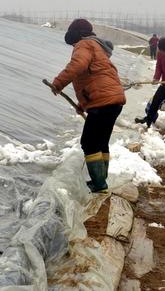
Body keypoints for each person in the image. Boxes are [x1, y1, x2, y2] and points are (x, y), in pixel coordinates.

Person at [50, 19, 126, 193]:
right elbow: (96, 80)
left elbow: (78, 65)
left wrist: (58, 83)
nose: (74, 46)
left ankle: (99, 184)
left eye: (73, 42)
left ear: (78, 35)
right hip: (113, 100)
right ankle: (101, 181)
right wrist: (83, 104)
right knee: (101, 142)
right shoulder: (97, 47)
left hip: (103, 103)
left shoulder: (84, 45)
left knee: (89, 143)